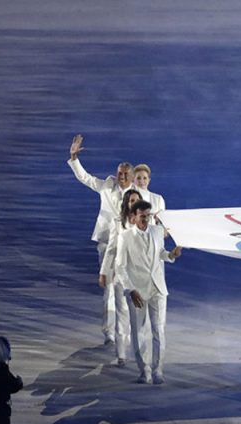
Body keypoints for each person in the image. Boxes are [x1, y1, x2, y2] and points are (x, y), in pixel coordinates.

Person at [100, 201, 182, 385]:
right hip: (137, 291)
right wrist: (130, 290)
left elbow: (161, 253)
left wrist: (171, 255)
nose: (146, 219)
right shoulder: (125, 237)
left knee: (159, 330)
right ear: (134, 216)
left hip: (158, 288)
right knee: (139, 332)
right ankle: (144, 371)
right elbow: (120, 267)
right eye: (143, 215)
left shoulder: (157, 231)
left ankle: (158, 371)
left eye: (149, 215)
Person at [67, 134, 133, 345]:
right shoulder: (106, 186)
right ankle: (109, 332)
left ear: (131, 176)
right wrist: (74, 158)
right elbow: (85, 178)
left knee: (126, 289)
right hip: (107, 243)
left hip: (130, 245)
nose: (121, 177)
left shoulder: (137, 194)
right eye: (119, 174)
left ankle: (125, 331)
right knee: (110, 289)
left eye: (125, 175)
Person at [100, 189, 145, 366]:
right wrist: (104, 271)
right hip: (121, 275)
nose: (134, 203)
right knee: (121, 313)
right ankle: (121, 354)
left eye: (137, 200)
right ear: (126, 203)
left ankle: (139, 351)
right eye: (131, 200)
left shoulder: (145, 223)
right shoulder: (118, 223)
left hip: (139, 276)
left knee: (139, 316)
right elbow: (111, 248)